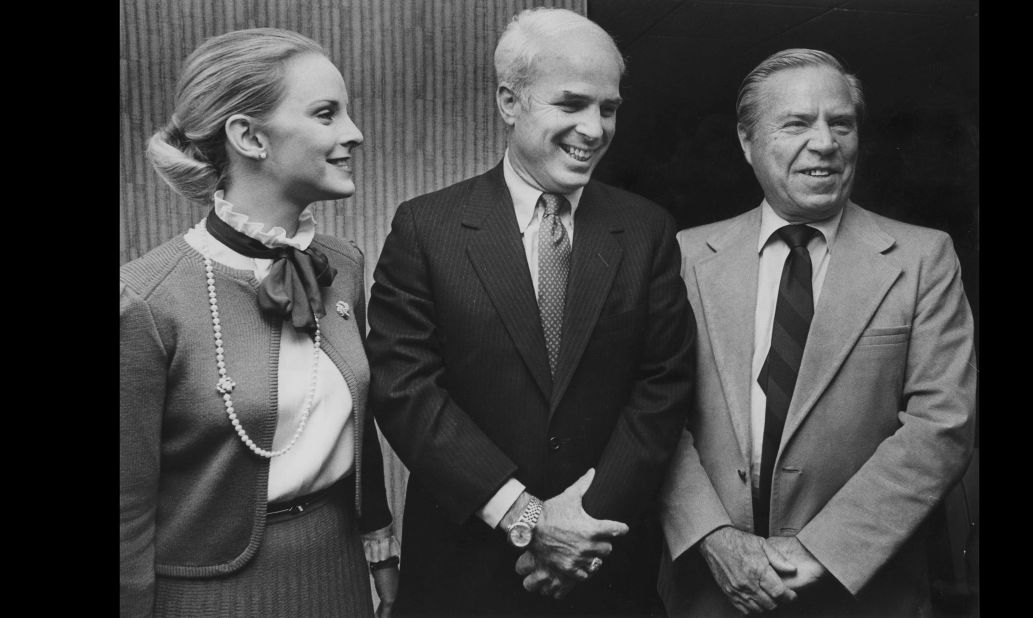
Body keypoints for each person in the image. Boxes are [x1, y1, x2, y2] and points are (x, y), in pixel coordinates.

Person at [364, 7, 696, 616]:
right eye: (571, 104)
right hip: (463, 574)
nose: (594, 129)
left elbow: (663, 385)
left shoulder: (646, 229)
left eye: (609, 108)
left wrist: (582, 524)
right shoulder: (426, 227)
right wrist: (526, 516)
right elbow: (404, 387)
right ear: (509, 101)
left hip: (604, 566)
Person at [657, 48, 976, 617]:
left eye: (842, 124)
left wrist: (819, 550)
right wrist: (713, 537)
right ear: (747, 141)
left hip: (863, 593)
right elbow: (653, 412)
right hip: (711, 590)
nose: (826, 142)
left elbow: (943, 424)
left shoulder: (925, 258)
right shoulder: (683, 257)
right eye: (798, 123)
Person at [120, 28, 399, 617]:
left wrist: (380, 550)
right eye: (327, 114)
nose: (355, 133)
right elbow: (125, 510)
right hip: (204, 596)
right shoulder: (145, 300)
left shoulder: (343, 266)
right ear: (249, 137)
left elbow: (360, 421)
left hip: (338, 573)